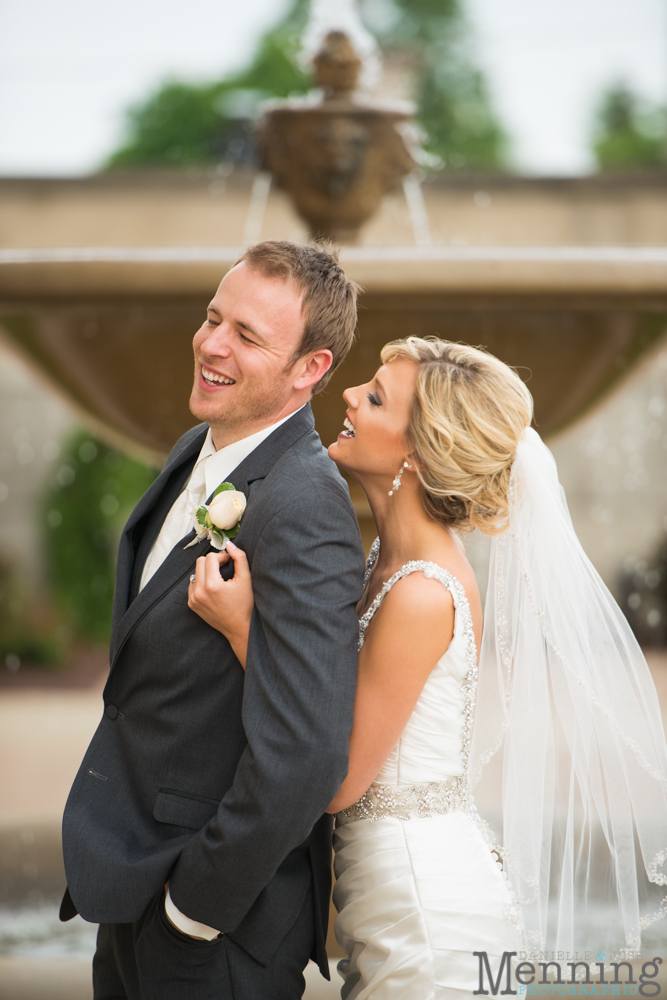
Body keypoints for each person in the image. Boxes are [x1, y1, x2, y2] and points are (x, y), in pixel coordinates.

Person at [196, 336, 667, 998]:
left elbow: (336, 782)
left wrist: (244, 630)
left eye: (376, 397)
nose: (351, 396)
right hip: (393, 893)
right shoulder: (392, 562)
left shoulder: (420, 592)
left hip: (422, 912)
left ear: (417, 453)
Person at [59, 240, 366, 1000]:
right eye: (211, 316)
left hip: (214, 933)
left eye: (247, 335)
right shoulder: (198, 446)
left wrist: (190, 912)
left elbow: (304, 754)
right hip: (131, 878)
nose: (211, 344)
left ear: (310, 370)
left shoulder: (306, 508)